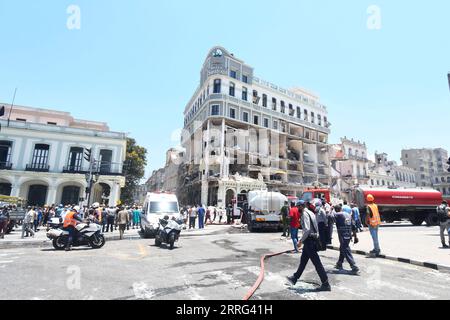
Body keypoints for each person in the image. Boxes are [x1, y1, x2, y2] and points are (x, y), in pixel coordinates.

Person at [287, 201, 331, 292]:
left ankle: (326, 283)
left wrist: (300, 241)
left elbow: (307, 229)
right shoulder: (311, 212)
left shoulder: (304, 214)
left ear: (301, 206)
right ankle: (295, 278)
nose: (297, 209)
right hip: (311, 239)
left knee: (317, 263)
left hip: (309, 241)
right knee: (303, 261)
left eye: (298, 207)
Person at [334, 205, 360, 274]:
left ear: (336, 209)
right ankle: (339, 263)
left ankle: (353, 266)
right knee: (342, 248)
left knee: (345, 249)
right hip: (348, 234)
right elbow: (354, 226)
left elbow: (329, 218)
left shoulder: (337, 214)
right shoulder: (348, 215)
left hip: (342, 235)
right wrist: (355, 236)